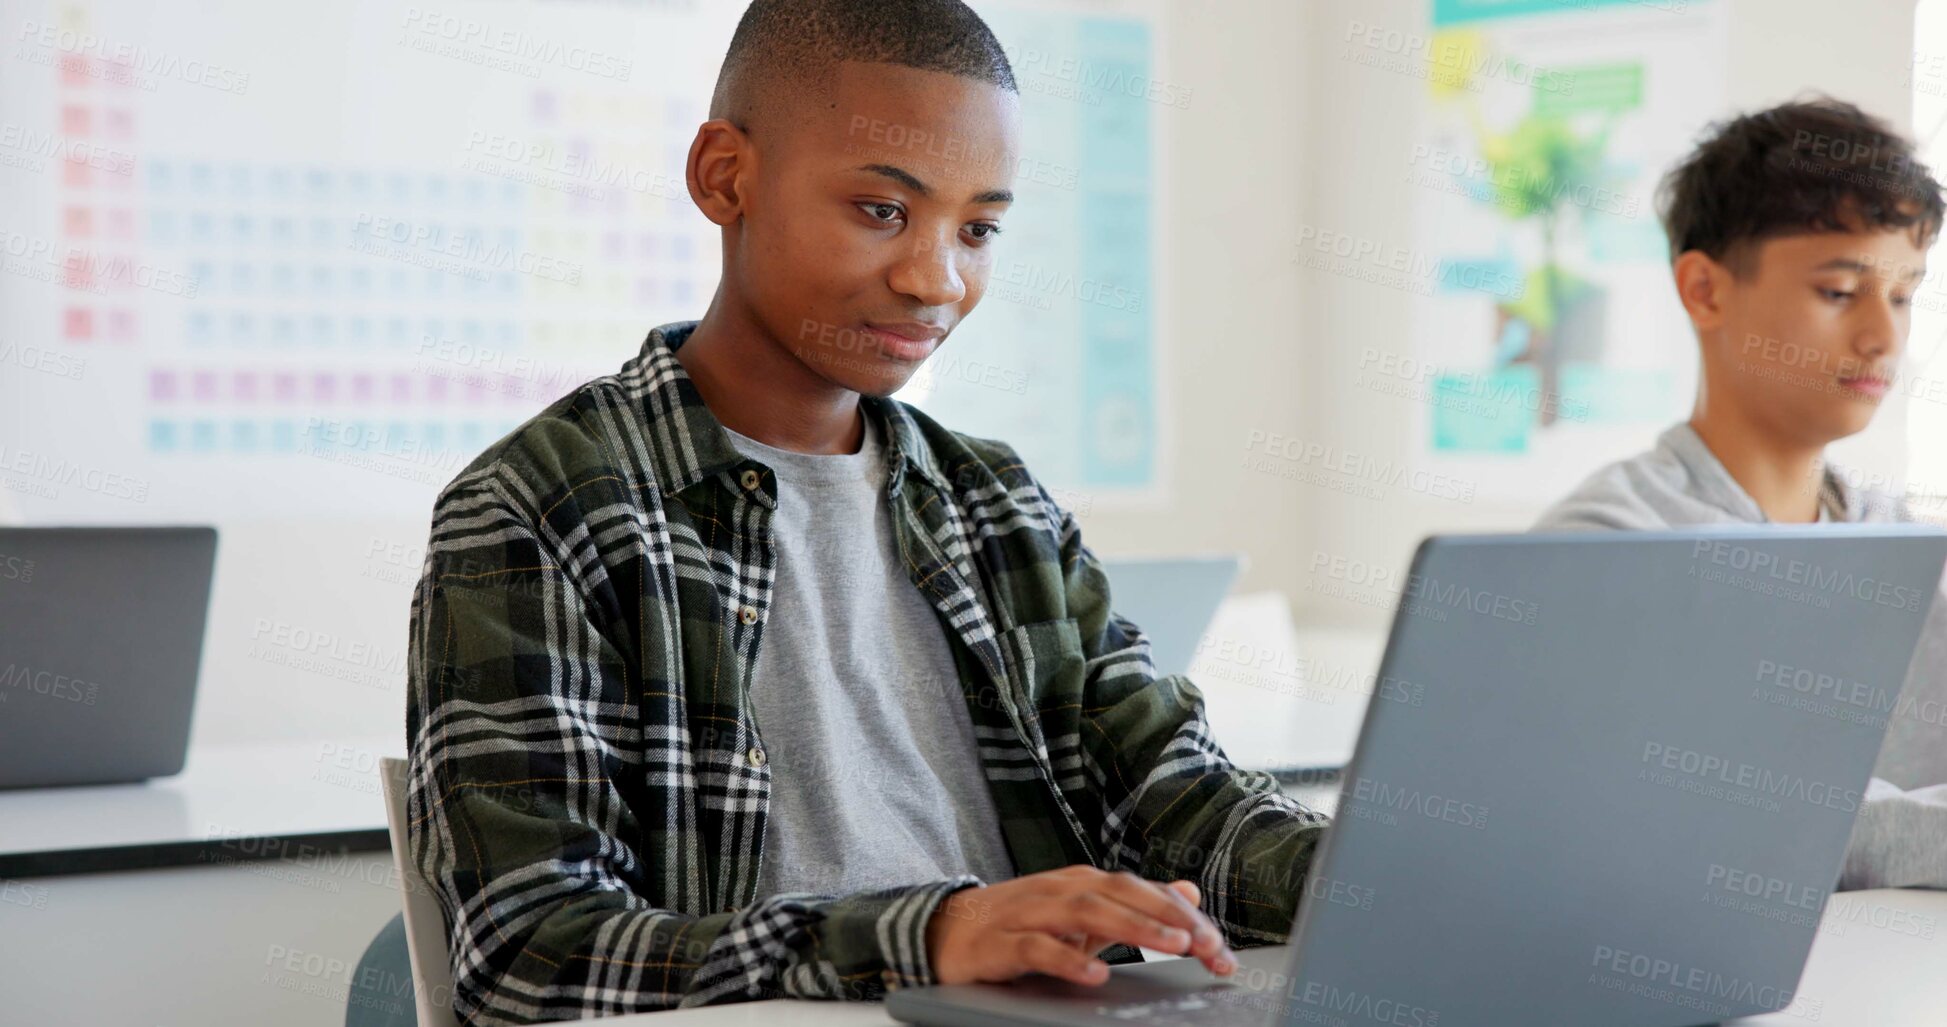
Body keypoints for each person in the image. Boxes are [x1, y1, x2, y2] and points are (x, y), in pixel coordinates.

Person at [402, 2, 1325, 1023]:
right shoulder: (540, 510)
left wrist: (1382, 875)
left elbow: (1180, 802)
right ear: (724, 177)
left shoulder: (997, 504)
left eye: (978, 228)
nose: (937, 278)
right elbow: (530, 955)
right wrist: (926, 937)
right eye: (883, 210)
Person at [1536, 97, 1947, 891]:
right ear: (1703, 291)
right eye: (1838, 291)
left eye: (1902, 295)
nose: (1883, 338)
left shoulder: (1903, 544)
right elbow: (1731, 822)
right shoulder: (1610, 542)